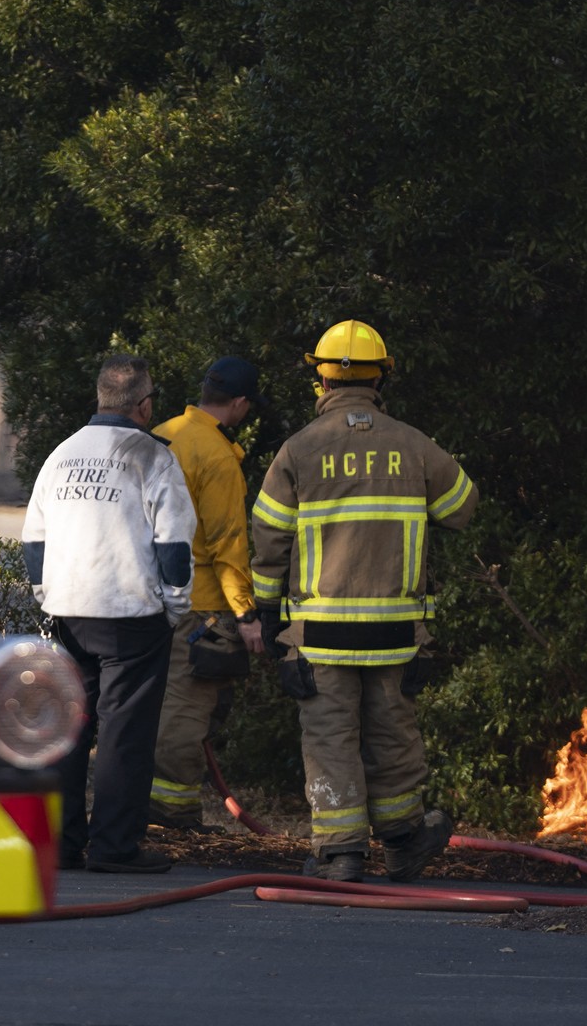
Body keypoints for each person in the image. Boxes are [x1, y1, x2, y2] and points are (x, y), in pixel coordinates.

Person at [249, 320, 477, 883]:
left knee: (330, 738)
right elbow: (465, 509)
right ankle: (403, 842)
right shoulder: (413, 444)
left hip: (320, 634)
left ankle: (342, 854)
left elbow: (267, 539)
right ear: (382, 379)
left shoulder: (298, 450)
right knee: (392, 734)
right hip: (396, 632)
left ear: (320, 380)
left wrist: (264, 614)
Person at [23, 354, 195, 874]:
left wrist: (46, 595)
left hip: (67, 614)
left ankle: (61, 842)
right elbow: (173, 547)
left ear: (100, 398)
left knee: (70, 728)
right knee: (125, 732)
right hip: (131, 615)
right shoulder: (152, 458)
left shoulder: (61, 455)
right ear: (144, 405)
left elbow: (34, 540)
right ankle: (115, 847)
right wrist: (175, 607)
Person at [147, 356, 270, 832]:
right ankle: (171, 812)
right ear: (239, 404)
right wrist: (246, 613)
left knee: (156, 703)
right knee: (187, 709)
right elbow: (227, 545)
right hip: (200, 606)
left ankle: (149, 803)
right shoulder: (216, 457)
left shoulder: (161, 432)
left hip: (148, 598)